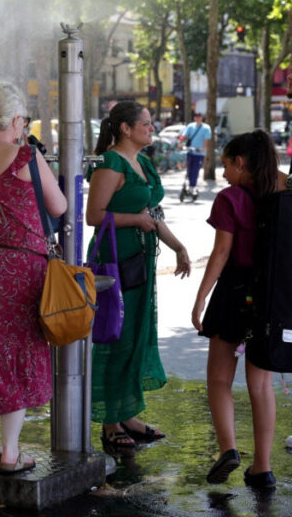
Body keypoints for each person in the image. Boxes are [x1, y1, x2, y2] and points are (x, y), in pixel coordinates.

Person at [0, 83, 67, 473]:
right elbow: (60, 204)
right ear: (18, 120)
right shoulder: (25, 154)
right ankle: (11, 453)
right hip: (19, 266)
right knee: (17, 351)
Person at [87, 100, 191, 450]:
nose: (152, 128)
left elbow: (153, 214)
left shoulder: (142, 162)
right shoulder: (112, 162)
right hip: (114, 259)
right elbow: (94, 215)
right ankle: (110, 421)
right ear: (126, 129)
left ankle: (128, 414)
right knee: (114, 334)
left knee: (134, 334)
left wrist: (178, 247)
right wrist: (136, 221)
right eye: (145, 123)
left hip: (140, 257)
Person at [191, 130, 280, 489]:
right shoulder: (279, 193)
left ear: (240, 162)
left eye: (226, 165)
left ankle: (228, 448)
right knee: (260, 384)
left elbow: (222, 252)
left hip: (233, 292)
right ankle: (262, 467)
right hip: (269, 295)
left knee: (218, 379)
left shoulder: (229, 199)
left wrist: (200, 297)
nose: (225, 173)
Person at [183, 112, 211, 194]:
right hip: (190, 151)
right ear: (194, 118)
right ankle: (189, 185)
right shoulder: (190, 126)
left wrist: (203, 148)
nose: (198, 118)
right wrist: (180, 142)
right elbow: (185, 135)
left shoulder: (206, 127)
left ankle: (192, 187)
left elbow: (207, 139)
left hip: (199, 153)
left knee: (195, 170)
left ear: (202, 118)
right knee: (189, 170)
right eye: (197, 117)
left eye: (200, 117)